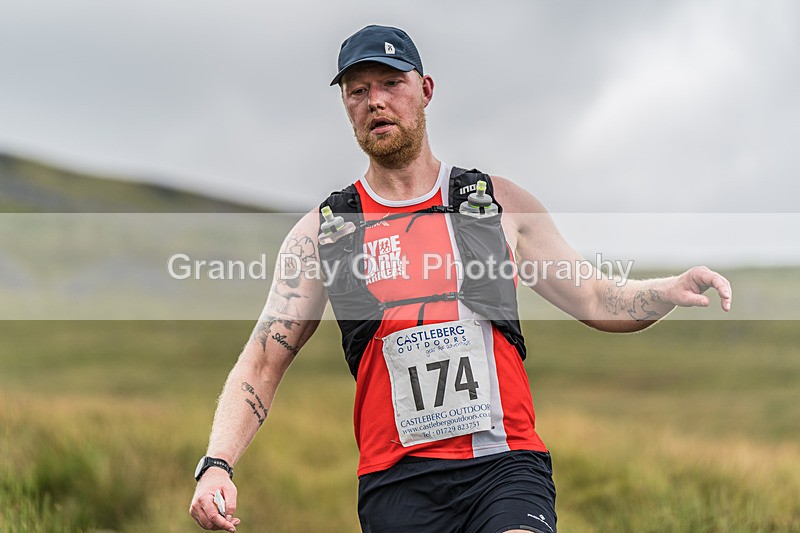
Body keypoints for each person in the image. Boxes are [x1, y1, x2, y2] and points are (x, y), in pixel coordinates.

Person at [189, 25, 732, 533]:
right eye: (358, 91)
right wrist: (216, 465)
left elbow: (594, 296)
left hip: (505, 466)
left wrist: (668, 290)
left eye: (391, 83)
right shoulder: (324, 233)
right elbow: (263, 360)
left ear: (425, 90)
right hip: (396, 483)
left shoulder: (498, 206)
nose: (375, 101)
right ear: (346, 106)